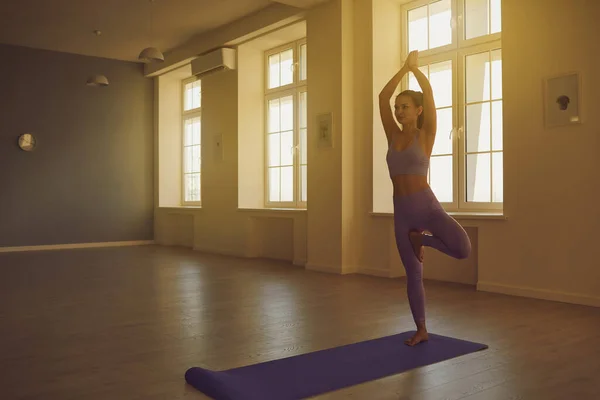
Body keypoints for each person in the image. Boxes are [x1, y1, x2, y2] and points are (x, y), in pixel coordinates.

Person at [378, 50, 472, 346]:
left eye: (405, 107)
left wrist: (415, 70)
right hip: (402, 212)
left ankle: (423, 240)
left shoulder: (427, 133)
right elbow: (382, 97)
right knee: (413, 274)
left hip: (426, 206)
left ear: (418, 111)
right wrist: (402, 68)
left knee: (462, 248)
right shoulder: (392, 135)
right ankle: (421, 329)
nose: (399, 111)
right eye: (398, 107)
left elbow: (429, 93)